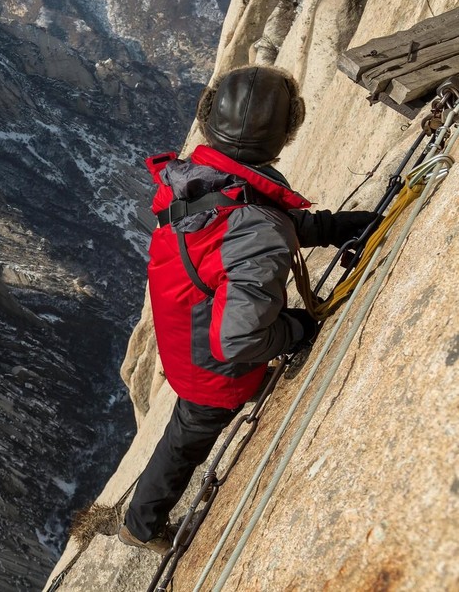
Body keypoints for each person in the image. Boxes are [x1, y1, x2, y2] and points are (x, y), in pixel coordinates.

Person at [118, 65, 376, 555]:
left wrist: (337, 227)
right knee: (189, 437)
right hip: (211, 364)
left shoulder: (196, 178)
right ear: (285, 135)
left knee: (185, 428)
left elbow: (247, 221)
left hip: (184, 331)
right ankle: (141, 523)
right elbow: (237, 337)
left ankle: (141, 519)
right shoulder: (252, 222)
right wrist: (295, 331)